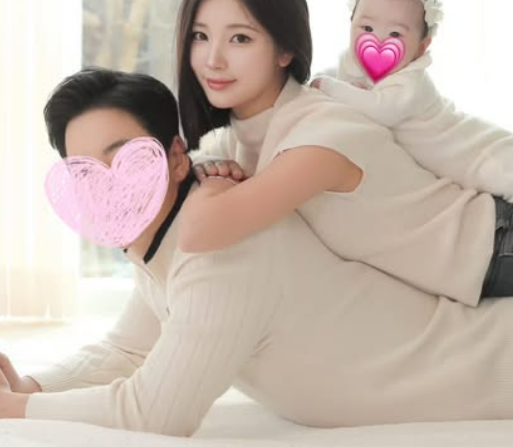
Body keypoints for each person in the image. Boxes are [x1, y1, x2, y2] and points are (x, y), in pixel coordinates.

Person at [4, 72, 513, 433]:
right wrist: (31, 387)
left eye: (125, 161)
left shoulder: (221, 252)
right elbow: (129, 350)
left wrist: (15, 411)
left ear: (177, 158)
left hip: (493, 363)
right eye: (85, 172)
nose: (107, 187)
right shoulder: (165, 235)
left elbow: (154, 414)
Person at [175, 0, 513, 304]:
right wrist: (208, 166)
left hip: (494, 243)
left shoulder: (317, 136)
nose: (213, 59)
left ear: (285, 49)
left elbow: (197, 232)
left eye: (240, 38)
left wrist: (213, 183)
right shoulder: (247, 135)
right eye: (200, 36)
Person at [314, 0, 513, 203]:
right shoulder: (352, 62)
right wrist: (316, 82)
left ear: (421, 47)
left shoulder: (412, 81)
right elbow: (334, 79)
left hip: (480, 152)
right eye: (367, 28)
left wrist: (325, 86)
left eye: (395, 34)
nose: (378, 40)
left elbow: (381, 109)